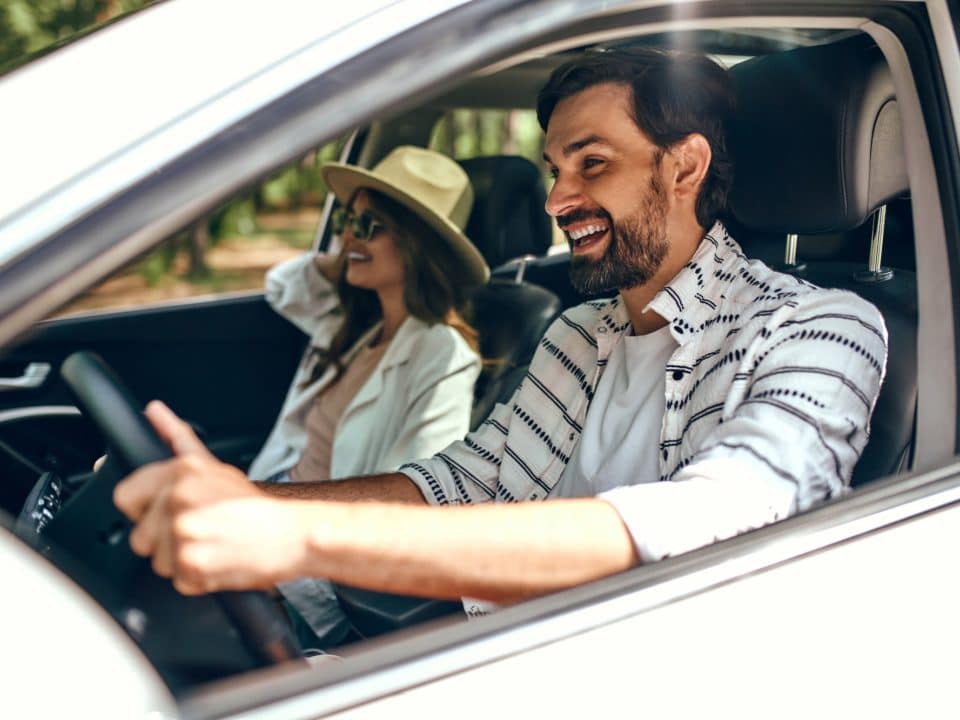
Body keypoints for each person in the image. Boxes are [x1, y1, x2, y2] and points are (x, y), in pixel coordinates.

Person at [114, 48, 887, 613]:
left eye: (591, 165)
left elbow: (711, 522)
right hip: (499, 651)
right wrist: (255, 507)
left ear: (684, 169)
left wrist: (303, 540)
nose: (558, 199)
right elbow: (457, 485)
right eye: (555, 169)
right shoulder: (580, 335)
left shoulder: (822, 329)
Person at [245, 145, 489, 643]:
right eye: (347, 221)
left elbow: (414, 498)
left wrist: (280, 574)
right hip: (270, 506)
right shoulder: (355, 324)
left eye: (370, 225)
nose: (351, 236)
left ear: (419, 244)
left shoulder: (441, 354)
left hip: (307, 565)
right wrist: (347, 253)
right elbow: (282, 287)